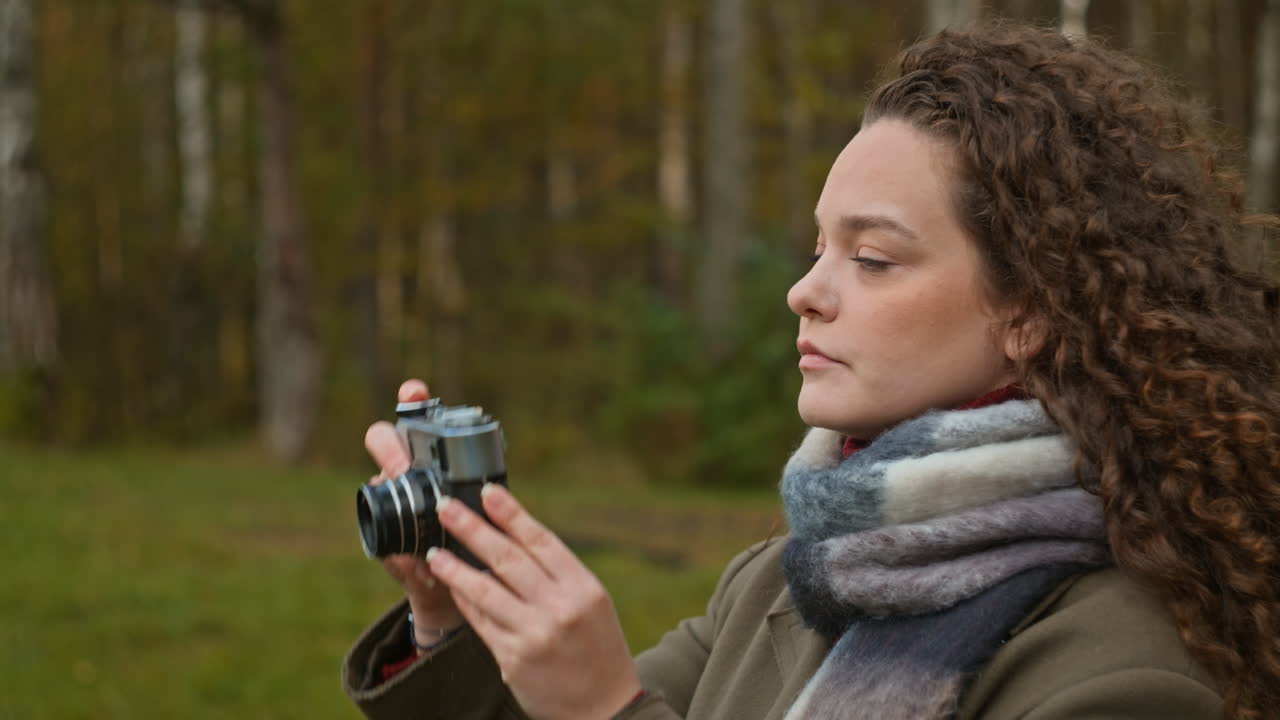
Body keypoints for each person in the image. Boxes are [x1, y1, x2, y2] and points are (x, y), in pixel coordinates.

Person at [341, 21, 1280, 720]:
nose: (804, 291)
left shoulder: (1117, 675)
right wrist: (453, 621)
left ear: (1030, 312)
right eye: (817, 248)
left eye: (871, 259)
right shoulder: (786, 583)